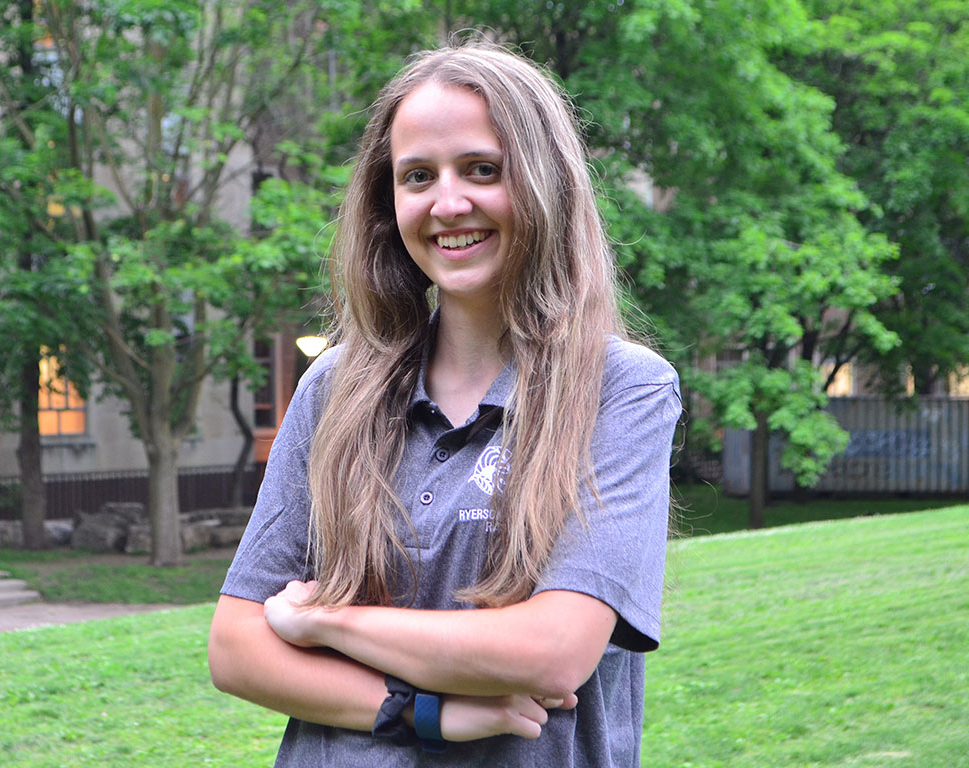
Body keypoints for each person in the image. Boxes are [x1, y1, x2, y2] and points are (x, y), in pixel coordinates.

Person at [208, 39, 681, 768]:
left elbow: (552, 651)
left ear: (546, 183)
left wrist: (324, 619)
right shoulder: (334, 388)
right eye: (417, 176)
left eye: (482, 170)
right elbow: (237, 649)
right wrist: (427, 712)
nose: (448, 203)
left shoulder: (621, 389)